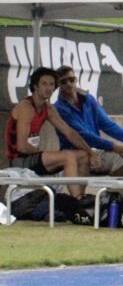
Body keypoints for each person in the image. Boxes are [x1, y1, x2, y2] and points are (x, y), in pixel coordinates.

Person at [4, 66, 102, 201]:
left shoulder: (48, 108)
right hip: (20, 160)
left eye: (51, 84)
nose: (49, 88)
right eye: (44, 84)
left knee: (83, 156)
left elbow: (70, 133)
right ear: (35, 86)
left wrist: (91, 152)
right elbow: (21, 147)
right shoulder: (26, 107)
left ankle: (82, 197)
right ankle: (77, 202)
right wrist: (44, 153)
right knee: (67, 156)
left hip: (34, 157)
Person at [53, 65, 123, 177]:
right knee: (122, 156)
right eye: (63, 82)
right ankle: (114, 193)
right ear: (58, 85)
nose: (69, 84)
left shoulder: (88, 99)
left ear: (76, 80)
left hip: (95, 149)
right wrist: (112, 145)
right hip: (76, 153)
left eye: (71, 79)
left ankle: (119, 192)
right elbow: (83, 136)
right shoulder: (60, 108)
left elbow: (109, 125)